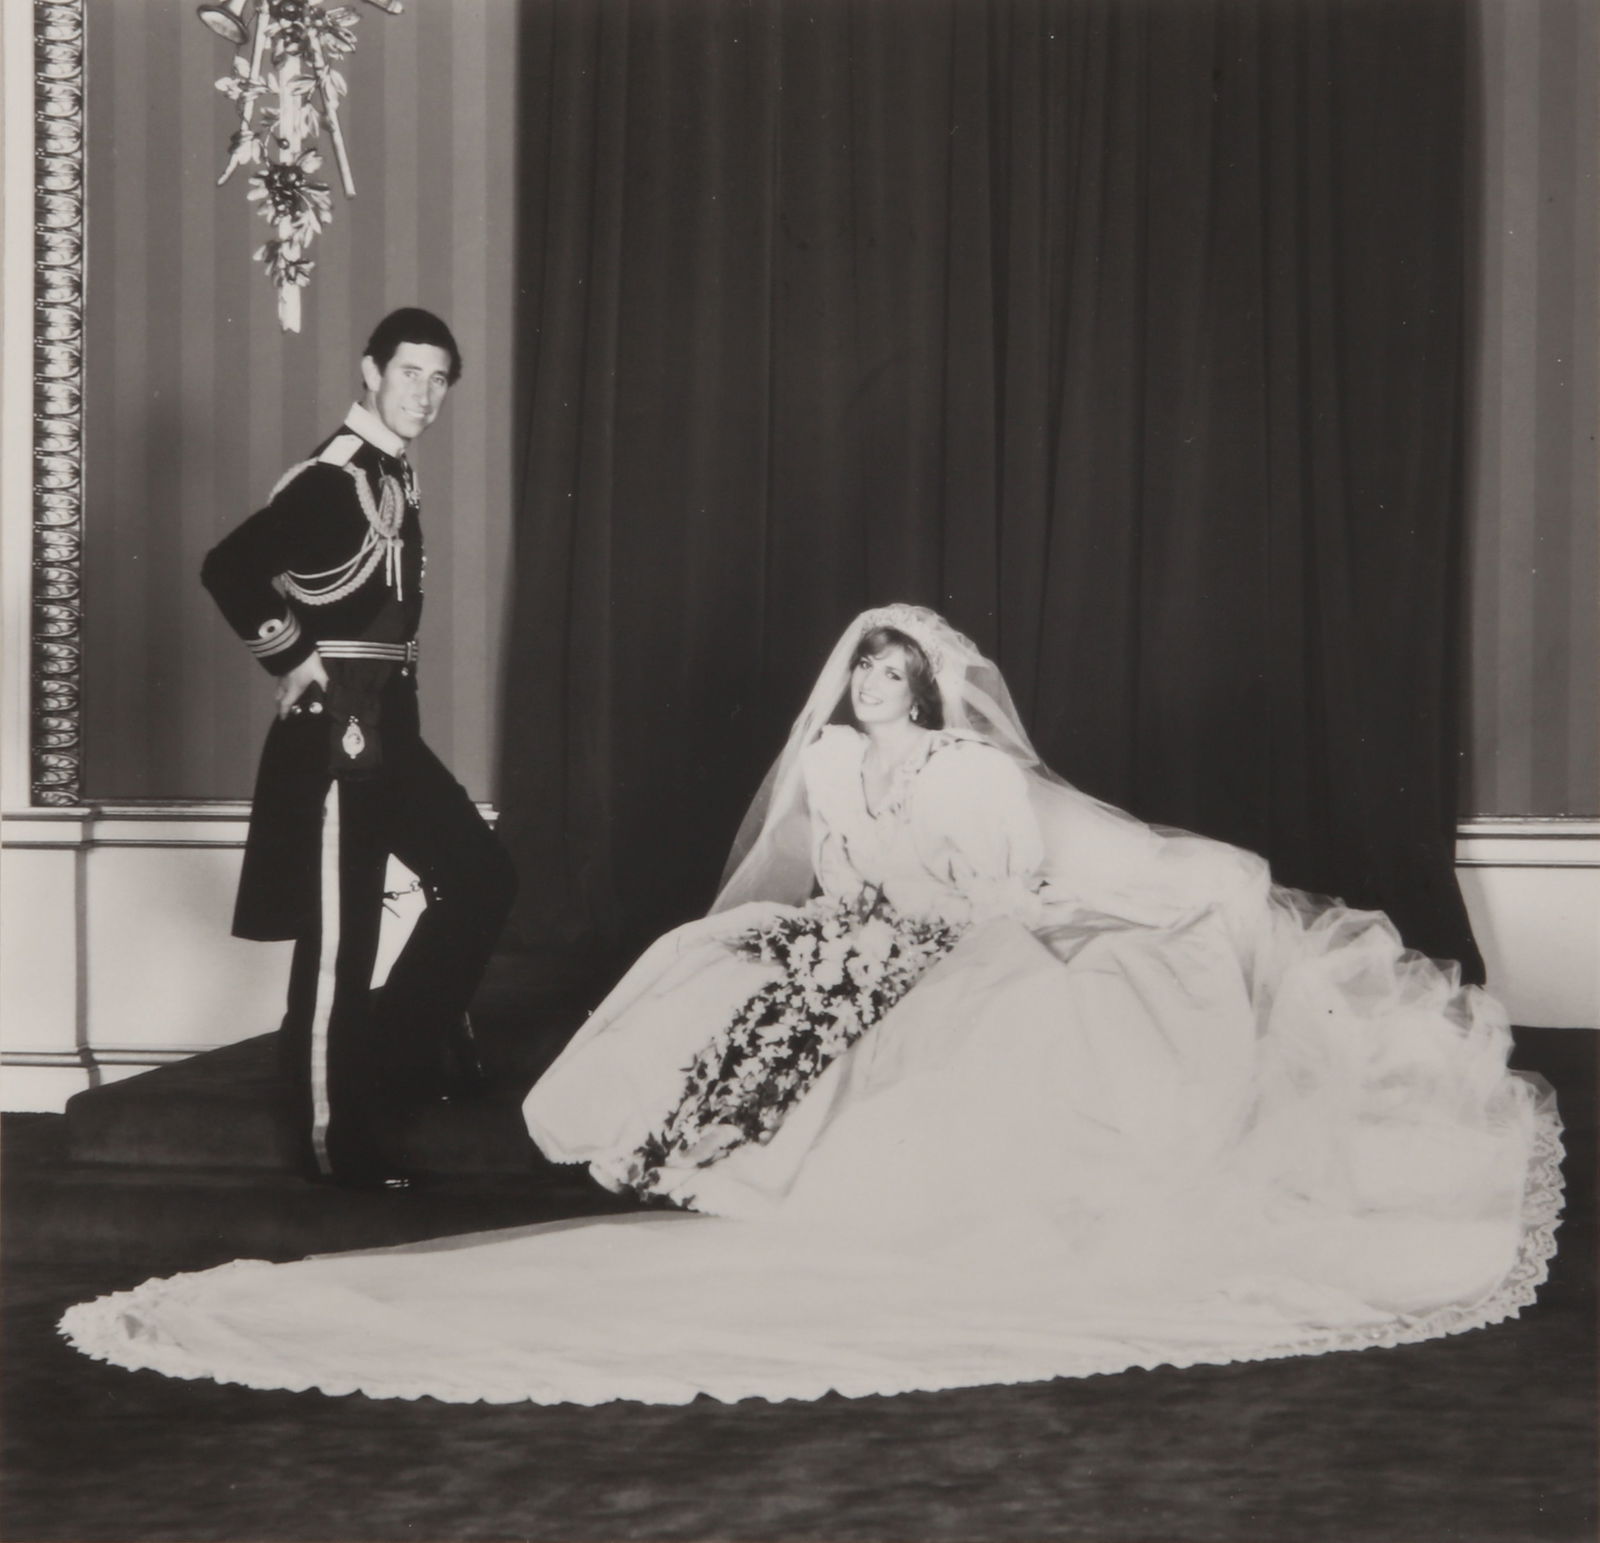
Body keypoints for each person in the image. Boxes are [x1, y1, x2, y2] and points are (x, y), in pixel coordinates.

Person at [61, 605, 1559, 1404]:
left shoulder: (975, 776)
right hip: (854, 928)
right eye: (867, 685)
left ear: (934, 693)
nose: (881, 702)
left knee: (979, 1012)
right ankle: (699, 1144)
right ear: (848, 701)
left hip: (947, 931)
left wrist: (912, 927)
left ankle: (803, 1159)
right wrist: (820, 925)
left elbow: (992, 885)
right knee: (720, 966)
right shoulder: (835, 771)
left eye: (901, 683)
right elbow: (808, 868)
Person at [195, 307, 516, 1191]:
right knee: (343, 946)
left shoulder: (391, 472)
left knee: (483, 875)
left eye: (441, 378)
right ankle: (336, 1138)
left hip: (389, 730)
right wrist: (293, 658)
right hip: (336, 739)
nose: (426, 392)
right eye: (410, 372)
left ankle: (390, 1062)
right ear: (369, 371)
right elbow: (228, 567)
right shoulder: (335, 477)